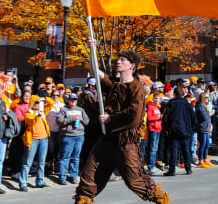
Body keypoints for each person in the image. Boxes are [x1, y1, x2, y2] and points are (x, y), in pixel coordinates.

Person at [74, 47, 169, 204]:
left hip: (126, 142)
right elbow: (95, 71)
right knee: (88, 177)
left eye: (122, 60)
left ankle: (162, 200)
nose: (118, 61)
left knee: (134, 181)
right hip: (106, 140)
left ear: (132, 65)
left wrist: (110, 119)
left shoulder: (137, 87)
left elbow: (134, 114)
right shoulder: (114, 84)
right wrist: (92, 48)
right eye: (118, 59)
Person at [162, 81, 195, 177]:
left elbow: (165, 117)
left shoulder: (171, 103)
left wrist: (166, 129)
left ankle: (172, 170)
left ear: (175, 94)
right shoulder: (187, 104)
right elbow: (193, 117)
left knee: (174, 150)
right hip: (185, 130)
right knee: (186, 149)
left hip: (174, 130)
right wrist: (191, 129)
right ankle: (188, 168)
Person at [19, 96, 51, 191]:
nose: (38, 104)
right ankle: (23, 183)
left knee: (41, 162)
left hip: (44, 139)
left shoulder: (43, 111)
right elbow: (31, 122)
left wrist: (44, 98)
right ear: (32, 103)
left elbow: (52, 103)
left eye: (39, 103)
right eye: (36, 102)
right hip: (32, 140)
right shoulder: (28, 113)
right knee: (27, 163)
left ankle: (40, 181)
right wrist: (38, 116)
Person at [56, 93, 89, 185]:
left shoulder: (80, 110)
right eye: (72, 99)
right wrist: (71, 120)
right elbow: (59, 121)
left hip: (79, 136)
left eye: (75, 99)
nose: (73, 101)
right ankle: (62, 177)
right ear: (68, 100)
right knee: (65, 157)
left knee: (76, 157)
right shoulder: (63, 110)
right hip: (68, 136)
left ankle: (73, 177)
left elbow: (87, 121)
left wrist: (81, 118)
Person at [145, 93, 163, 175]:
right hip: (153, 129)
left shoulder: (157, 107)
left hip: (158, 129)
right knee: (153, 148)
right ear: (153, 99)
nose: (158, 100)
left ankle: (153, 165)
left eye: (159, 98)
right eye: (156, 98)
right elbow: (149, 118)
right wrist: (159, 117)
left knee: (155, 148)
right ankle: (151, 166)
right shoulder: (151, 107)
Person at [194, 92, 212, 168]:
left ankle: (205, 159)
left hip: (206, 128)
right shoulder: (200, 106)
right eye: (207, 97)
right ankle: (200, 160)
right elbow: (204, 117)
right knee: (203, 144)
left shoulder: (204, 106)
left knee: (207, 144)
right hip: (202, 128)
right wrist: (211, 113)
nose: (208, 99)